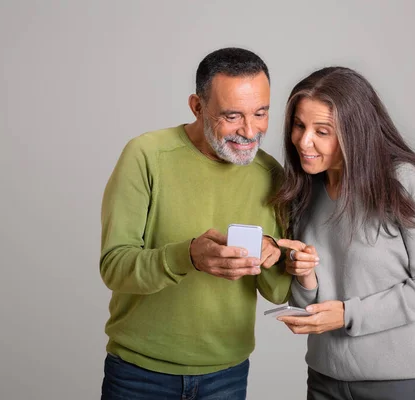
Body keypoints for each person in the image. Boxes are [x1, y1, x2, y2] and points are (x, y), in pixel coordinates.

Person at [99, 47, 292, 400]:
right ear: (197, 107)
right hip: (139, 373)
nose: (250, 131)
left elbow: (277, 291)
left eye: (261, 113)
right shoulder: (146, 155)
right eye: (232, 115)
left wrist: (275, 254)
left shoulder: (271, 175)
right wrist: (187, 256)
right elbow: (114, 267)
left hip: (227, 374)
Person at [273, 66, 415, 400]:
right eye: (299, 125)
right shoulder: (304, 190)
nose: (303, 140)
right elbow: (304, 302)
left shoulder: (402, 182)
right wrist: (305, 275)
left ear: (355, 132)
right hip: (324, 379)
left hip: (399, 383)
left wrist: (347, 314)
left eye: (322, 131)